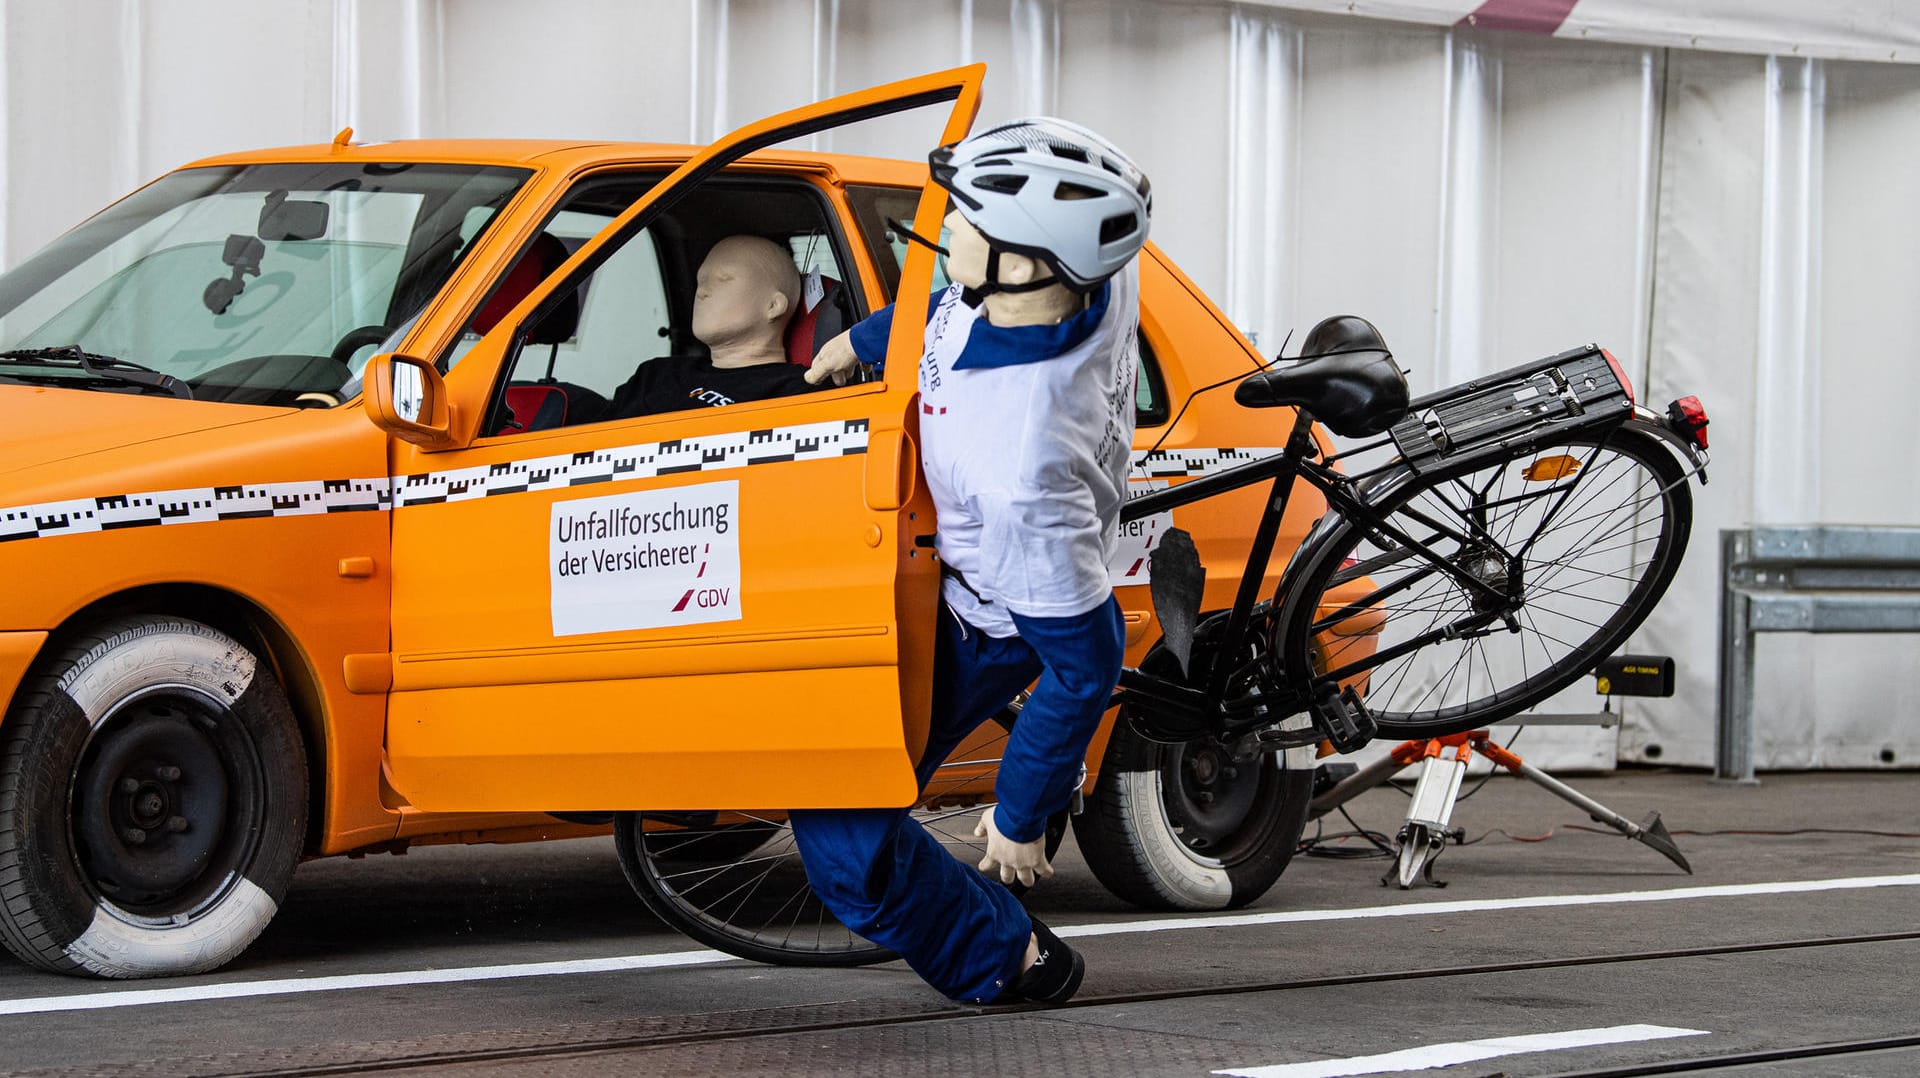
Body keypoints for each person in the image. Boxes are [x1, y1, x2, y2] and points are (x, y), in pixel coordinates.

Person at [795, 117, 1152, 1006]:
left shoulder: (1020, 469)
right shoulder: (1081, 270)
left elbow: (1084, 662)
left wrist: (1020, 814)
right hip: (943, 559)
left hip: (984, 618)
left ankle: (1010, 958)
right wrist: (869, 340)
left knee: (847, 846)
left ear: (1030, 264)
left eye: (967, 221)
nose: (945, 227)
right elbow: (948, 312)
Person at [606, 235, 815, 418]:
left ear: (773, 305)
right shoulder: (654, 376)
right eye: (701, 281)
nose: (702, 292)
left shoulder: (801, 393)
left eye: (724, 279)